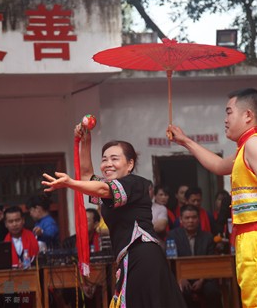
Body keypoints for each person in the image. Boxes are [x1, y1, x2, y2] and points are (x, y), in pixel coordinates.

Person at [167, 88, 257, 307]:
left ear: (247, 115)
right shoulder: (246, 148)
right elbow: (219, 166)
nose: (225, 119)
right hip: (256, 238)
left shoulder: (255, 144)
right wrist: (186, 142)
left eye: (229, 112)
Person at [42, 124, 186, 308]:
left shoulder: (134, 183)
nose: (107, 164)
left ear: (130, 164)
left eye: (114, 159)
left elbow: (100, 187)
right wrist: (85, 141)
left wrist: (70, 183)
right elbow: (87, 177)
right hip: (130, 257)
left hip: (143, 255)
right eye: (104, 159)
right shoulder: (110, 188)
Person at [167, 205, 223, 308]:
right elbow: (170, 262)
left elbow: (211, 263)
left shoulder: (208, 237)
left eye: (194, 217)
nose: (191, 221)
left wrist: (202, 280)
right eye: (187, 218)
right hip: (182, 278)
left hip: (204, 278)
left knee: (213, 292)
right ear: (181, 220)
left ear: (198, 219)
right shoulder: (172, 236)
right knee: (182, 293)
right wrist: (180, 278)